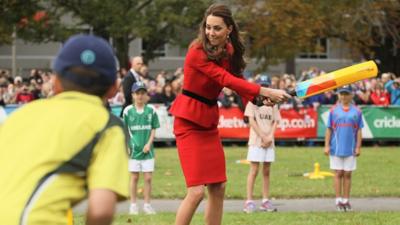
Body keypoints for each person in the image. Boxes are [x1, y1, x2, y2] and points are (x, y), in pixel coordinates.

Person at [168, 4, 290, 225]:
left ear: (229, 29)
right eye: (208, 27)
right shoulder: (196, 50)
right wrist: (263, 90)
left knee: (218, 186)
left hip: (208, 122)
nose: (211, 33)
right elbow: (225, 80)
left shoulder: (230, 51)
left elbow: (239, 81)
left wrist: (260, 100)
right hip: (188, 122)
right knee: (196, 192)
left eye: (217, 28)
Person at [0, 34, 130, 225]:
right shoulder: (106, 127)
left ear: (55, 81)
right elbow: (101, 210)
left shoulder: (21, 115)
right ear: (114, 88)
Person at [243, 75, 280, 213]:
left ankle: (265, 200)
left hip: (269, 141)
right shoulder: (253, 102)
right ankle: (249, 201)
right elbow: (251, 121)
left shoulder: (274, 103)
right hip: (256, 141)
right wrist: (263, 136)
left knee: (266, 171)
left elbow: (275, 121)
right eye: (262, 85)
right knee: (254, 170)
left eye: (267, 85)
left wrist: (270, 136)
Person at [123, 81, 160, 215]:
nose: (140, 96)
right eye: (137, 93)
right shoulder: (128, 111)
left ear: (146, 95)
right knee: (134, 177)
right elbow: (125, 130)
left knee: (148, 178)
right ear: (133, 95)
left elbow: (153, 128)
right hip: (133, 150)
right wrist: (127, 145)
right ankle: (133, 205)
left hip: (147, 151)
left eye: (142, 93)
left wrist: (149, 144)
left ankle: (147, 204)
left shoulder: (151, 111)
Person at [324, 85, 363, 212]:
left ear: (352, 95)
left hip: (350, 148)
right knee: (338, 173)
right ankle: (338, 200)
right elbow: (329, 129)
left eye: (346, 94)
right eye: (342, 94)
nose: (344, 96)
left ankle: (346, 200)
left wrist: (358, 146)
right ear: (338, 95)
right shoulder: (333, 111)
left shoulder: (357, 111)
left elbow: (358, 131)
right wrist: (326, 145)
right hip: (336, 148)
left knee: (347, 174)